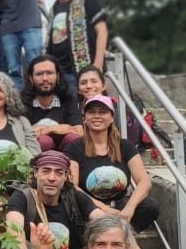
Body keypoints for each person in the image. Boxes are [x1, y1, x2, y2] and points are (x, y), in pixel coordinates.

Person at [64, 94, 159, 234]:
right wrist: (102, 207)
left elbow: (144, 182)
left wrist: (130, 207)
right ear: (84, 117)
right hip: (89, 207)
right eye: (91, 112)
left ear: (112, 117)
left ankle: (121, 236)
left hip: (119, 206)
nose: (97, 116)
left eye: (102, 112)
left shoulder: (126, 146)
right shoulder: (74, 148)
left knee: (150, 206)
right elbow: (73, 186)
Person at [5, 151, 97, 249]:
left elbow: (101, 218)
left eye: (59, 173)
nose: (52, 178)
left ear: (66, 176)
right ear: (35, 172)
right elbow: (14, 227)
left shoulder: (73, 197)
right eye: (46, 171)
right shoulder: (23, 196)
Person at [46, 0, 108, 94]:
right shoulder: (54, 8)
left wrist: (97, 66)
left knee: (88, 110)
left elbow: (102, 32)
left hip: (84, 73)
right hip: (60, 75)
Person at [23, 54, 82, 152]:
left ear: (58, 76)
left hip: (65, 156)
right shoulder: (23, 102)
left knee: (73, 138)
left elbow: (80, 131)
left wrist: (39, 130)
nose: (45, 78)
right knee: (44, 141)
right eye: (39, 74)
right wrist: (51, 129)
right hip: (36, 156)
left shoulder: (68, 98)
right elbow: (22, 135)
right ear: (31, 78)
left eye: (49, 73)